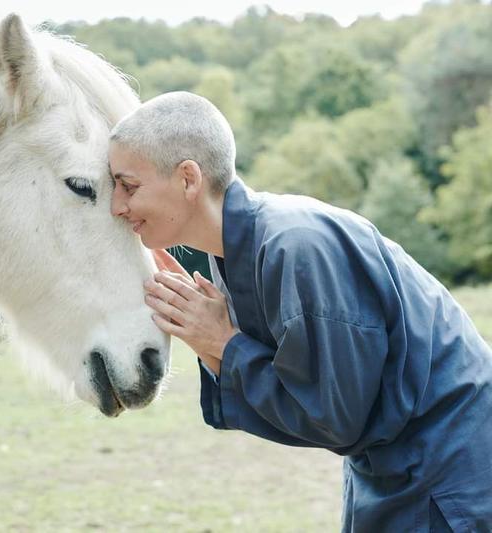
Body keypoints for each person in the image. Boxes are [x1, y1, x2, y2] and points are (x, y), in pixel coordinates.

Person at [108, 91, 492, 532]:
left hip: (449, 466)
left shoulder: (295, 244)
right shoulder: (237, 254)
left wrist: (224, 343)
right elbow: (315, 402)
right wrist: (214, 344)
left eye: (129, 186)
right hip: (390, 466)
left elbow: (335, 416)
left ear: (188, 179)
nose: (118, 206)